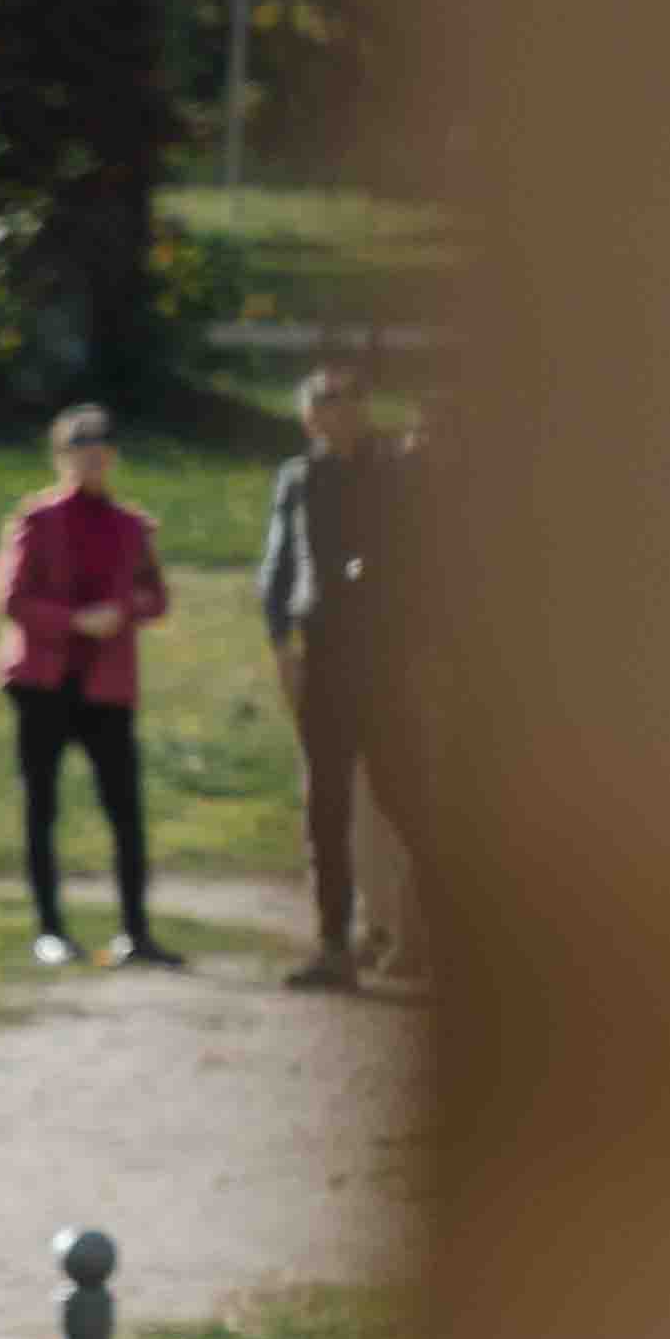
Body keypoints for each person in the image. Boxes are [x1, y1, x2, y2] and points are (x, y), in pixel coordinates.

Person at [0, 408, 175, 966]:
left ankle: (135, 932)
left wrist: (124, 611)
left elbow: (156, 598)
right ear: (61, 457)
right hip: (43, 683)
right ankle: (50, 931)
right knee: (41, 807)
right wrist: (74, 621)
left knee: (124, 809)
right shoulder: (36, 520)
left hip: (106, 685)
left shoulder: (131, 526)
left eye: (101, 453)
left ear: (112, 458)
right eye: (80, 452)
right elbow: (12, 599)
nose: (92, 462)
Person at [254, 357, 402, 988]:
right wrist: (280, 643)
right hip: (323, 651)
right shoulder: (299, 477)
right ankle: (333, 944)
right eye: (320, 402)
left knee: (405, 795)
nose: (332, 411)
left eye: (344, 399)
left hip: (387, 654)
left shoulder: (395, 473)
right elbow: (278, 563)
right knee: (327, 803)